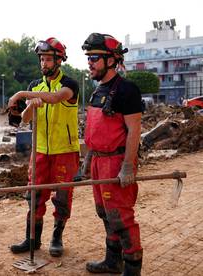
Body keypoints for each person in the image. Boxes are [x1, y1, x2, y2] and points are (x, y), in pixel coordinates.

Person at [7, 37, 80, 257]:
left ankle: (56, 238)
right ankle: (33, 239)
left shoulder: (70, 84)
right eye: (41, 59)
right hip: (40, 150)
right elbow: (25, 119)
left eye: (48, 59)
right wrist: (31, 106)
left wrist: (22, 95)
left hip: (65, 150)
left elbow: (56, 98)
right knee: (35, 194)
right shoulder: (35, 86)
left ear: (59, 60)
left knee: (62, 196)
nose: (43, 64)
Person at [81, 33, 143, 275]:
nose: (90, 63)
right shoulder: (97, 91)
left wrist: (128, 166)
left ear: (111, 60)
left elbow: (134, 131)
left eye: (94, 58)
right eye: (88, 58)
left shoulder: (127, 90)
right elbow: (94, 130)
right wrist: (88, 160)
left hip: (116, 163)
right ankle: (112, 261)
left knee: (121, 217)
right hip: (98, 161)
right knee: (104, 213)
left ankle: (132, 268)